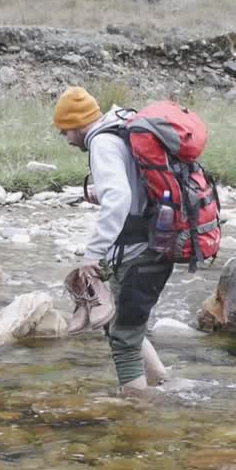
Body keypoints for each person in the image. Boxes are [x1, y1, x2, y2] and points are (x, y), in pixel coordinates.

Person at [53, 86, 169, 393]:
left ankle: (135, 414)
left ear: (77, 124)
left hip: (138, 251)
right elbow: (131, 188)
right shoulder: (121, 128)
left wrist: (93, 253)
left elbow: (119, 197)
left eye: (65, 131)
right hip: (155, 242)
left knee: (122, 340)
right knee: (117, 321)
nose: (66, 139)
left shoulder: (102, 143)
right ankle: (161, 381)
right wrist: (101, 196)